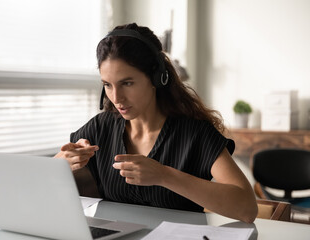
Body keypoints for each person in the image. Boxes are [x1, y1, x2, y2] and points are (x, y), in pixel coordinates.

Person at [55, 23, 258, 223]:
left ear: (157, 78)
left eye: (127, 83)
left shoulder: (194, 133)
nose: (116, 98)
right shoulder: (101, 127)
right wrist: (62, 164)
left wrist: (164, 175)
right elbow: (52, 184)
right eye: (108, 85)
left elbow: (247, 209)